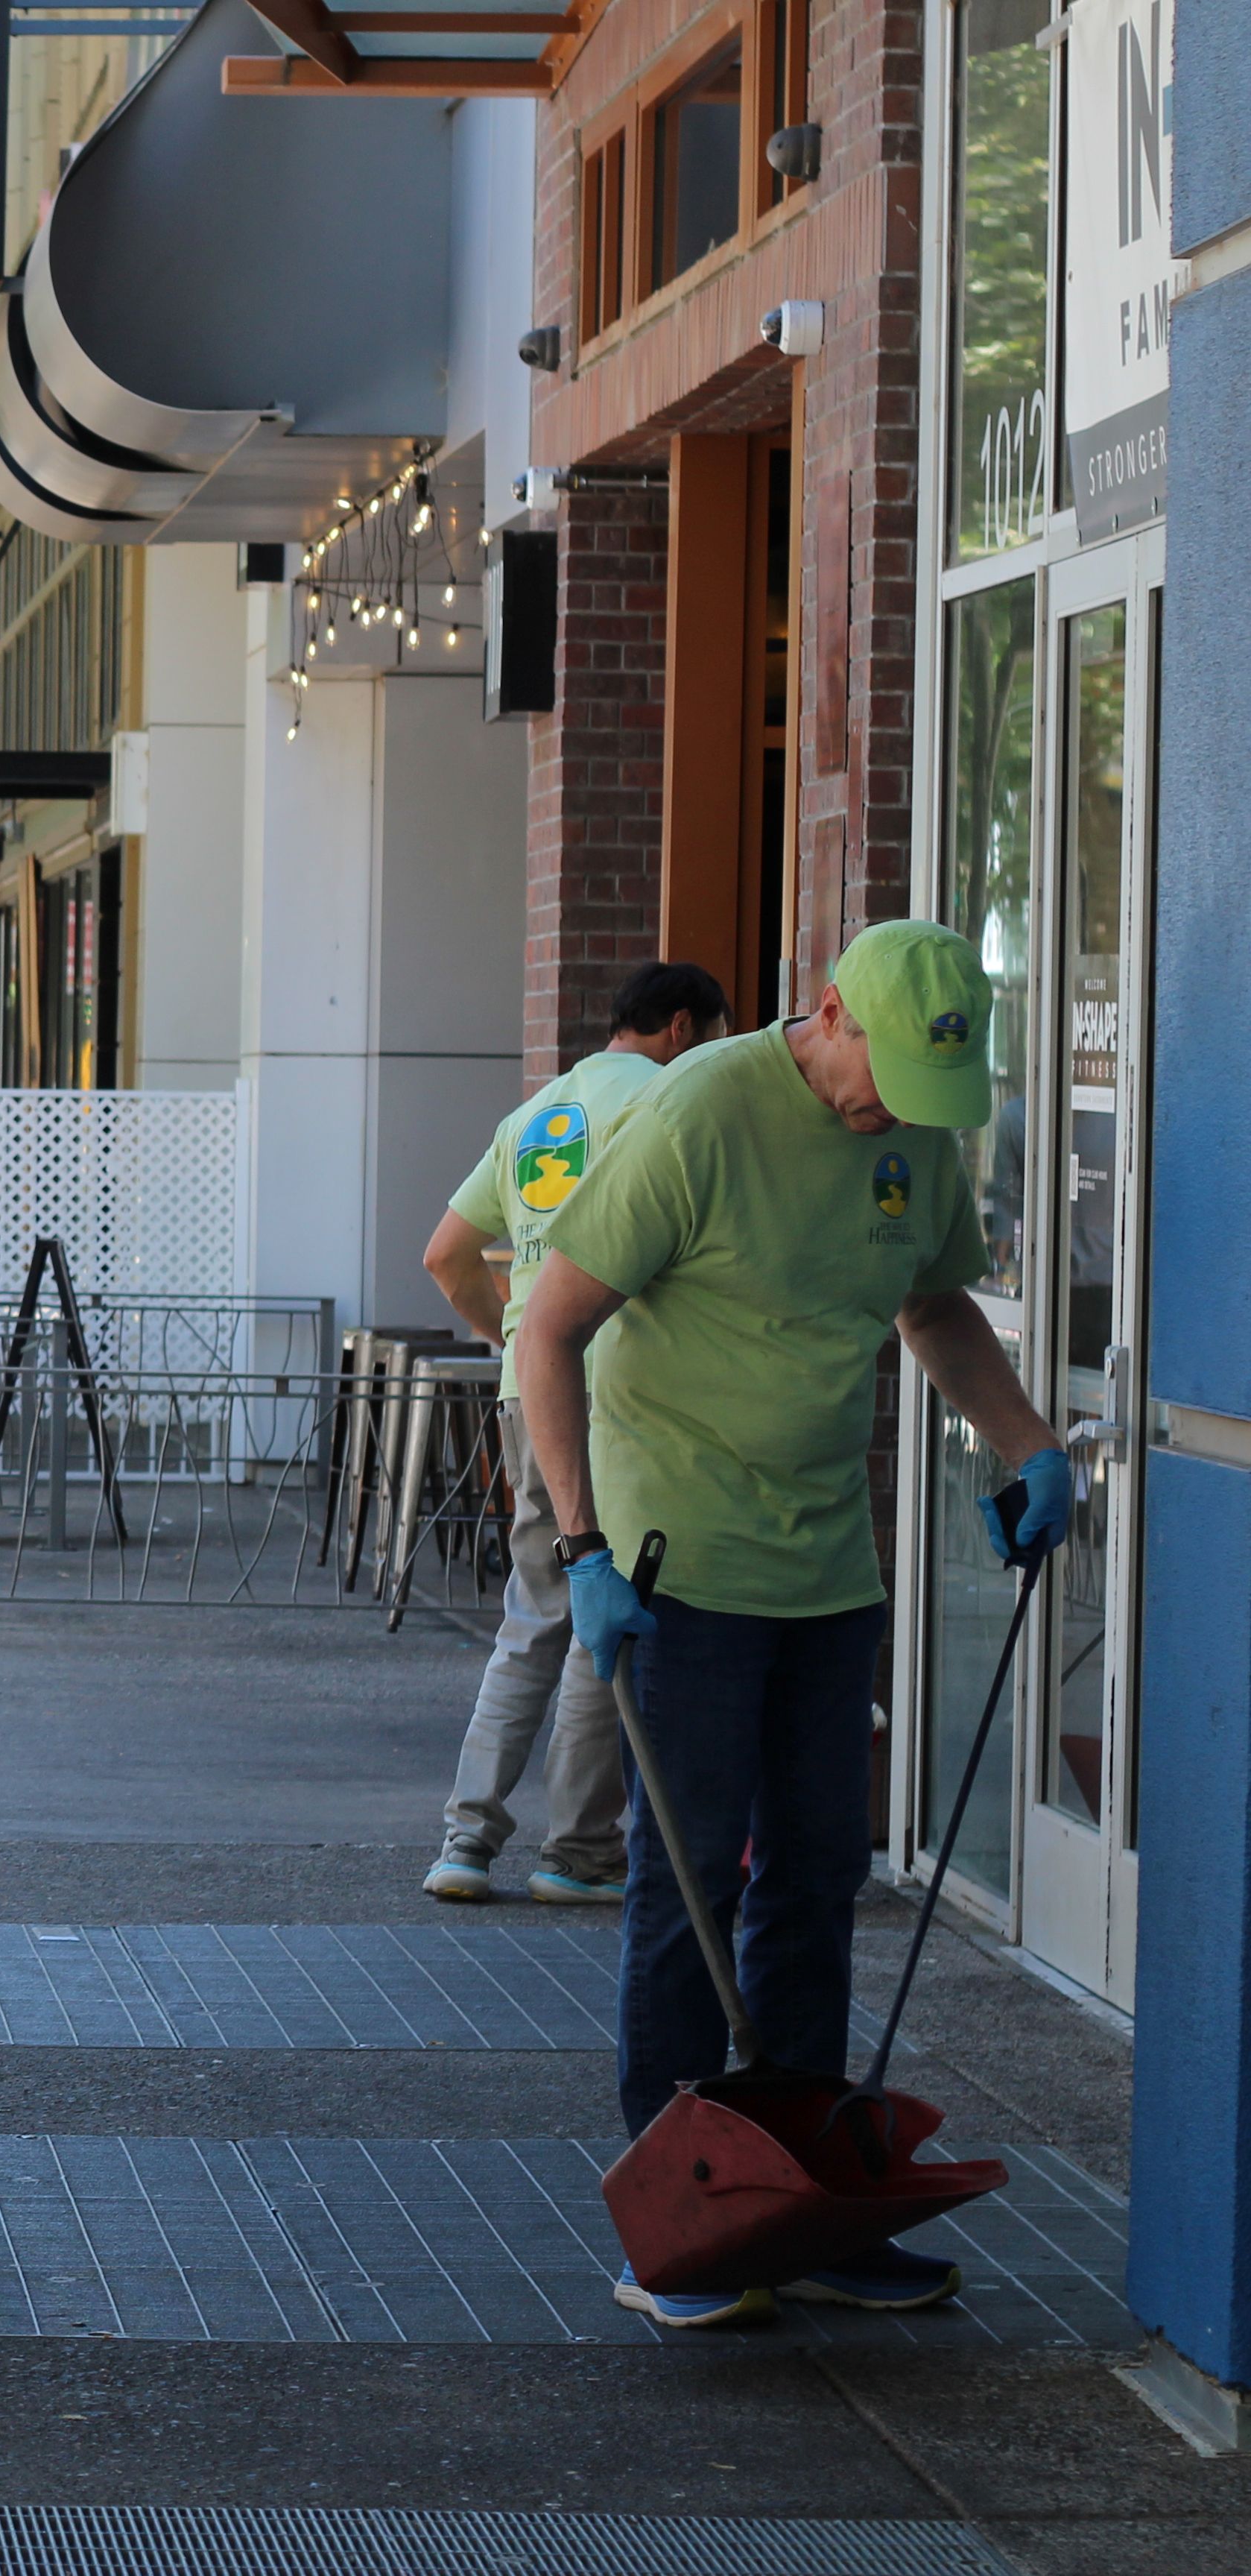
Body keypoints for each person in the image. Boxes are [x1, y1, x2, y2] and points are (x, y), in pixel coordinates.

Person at [521, 919, 1069, 2329]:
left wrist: (1022, 1444)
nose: (891, 1116)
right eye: (878, 1078)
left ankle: (805, 2201)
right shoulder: (699, 1109)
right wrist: (580, 1546)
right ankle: (679, 2220)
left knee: (816, 1873)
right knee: (687, 1883)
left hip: (824, 1558)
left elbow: (932, 1305)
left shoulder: (910, 1131)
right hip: (674, 1556)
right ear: (823, 1012)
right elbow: (548, 1322)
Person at [415, 960, 729, 1907]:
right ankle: (579, 1852)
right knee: (608, 1616)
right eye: (711, 1035)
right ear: (682, 1027)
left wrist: (513, 1330)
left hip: (527, 1392)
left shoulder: (537, 1116)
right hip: (622, 1396)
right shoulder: (676, 1101)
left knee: (537, 1608)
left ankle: (466, 1841)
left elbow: (445, 1254)